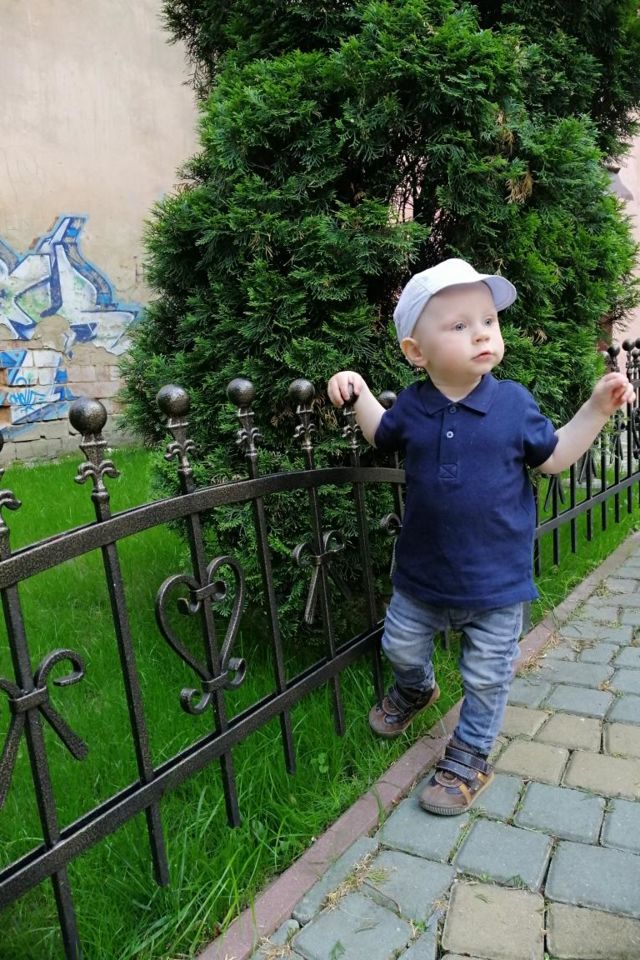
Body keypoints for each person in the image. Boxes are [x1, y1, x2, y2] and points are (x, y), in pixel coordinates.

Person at [327, 257, 634, 816]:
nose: (482, 334)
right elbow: (380, 434)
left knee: (486, 677)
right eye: (460, 325)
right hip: (421, 576)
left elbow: (555, 458)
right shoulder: (413, 405)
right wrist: (359, 391)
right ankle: (417, 689)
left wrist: (595, 409)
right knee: (399, 646)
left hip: (497, 583)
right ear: (416, 351)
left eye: (489, 321)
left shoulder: (514, 403)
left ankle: (470, 753)